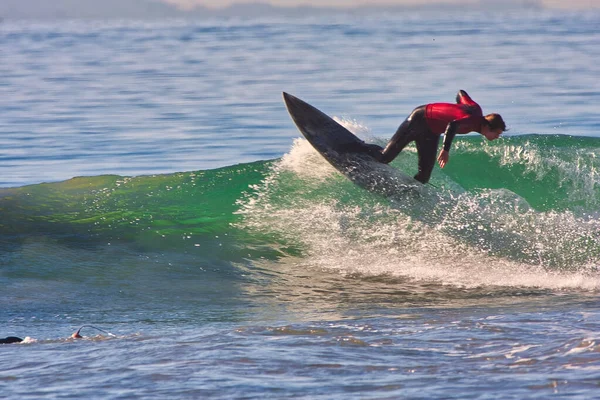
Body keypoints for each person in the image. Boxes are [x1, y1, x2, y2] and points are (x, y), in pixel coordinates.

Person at [363, 90, 506, 184]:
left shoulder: (475, 109)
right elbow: (452, 125)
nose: (497, 137)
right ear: (487, 127)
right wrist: (445, 150)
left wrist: (457, 109)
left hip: (431, 132)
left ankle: (409, 191)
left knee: (424, 175)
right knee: (385, 158)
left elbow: (460, 93)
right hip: (419, 119)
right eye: (497, 133)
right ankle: (359, 147)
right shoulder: (472, 119)